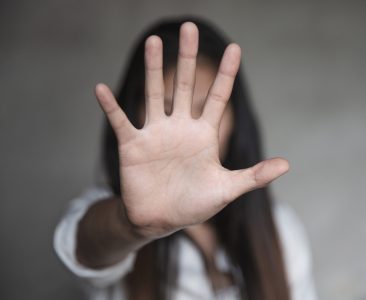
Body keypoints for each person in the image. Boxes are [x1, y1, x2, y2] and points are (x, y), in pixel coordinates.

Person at [53, 17, 317, 300]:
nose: (188, 135)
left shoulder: (279, 230)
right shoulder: (105, 213)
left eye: (207, 111)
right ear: (135, 114)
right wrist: (131, 225)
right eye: (168, 110)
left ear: (235, 119)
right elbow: (85, 248)